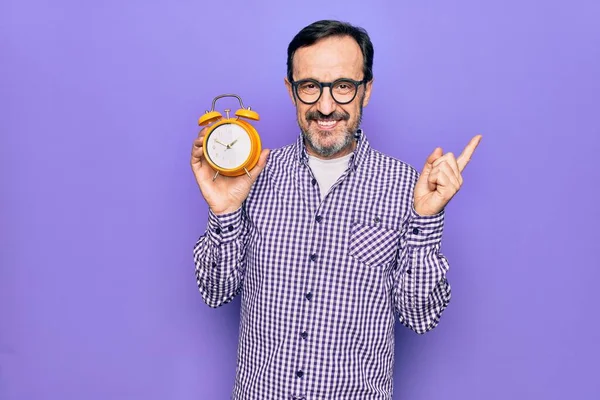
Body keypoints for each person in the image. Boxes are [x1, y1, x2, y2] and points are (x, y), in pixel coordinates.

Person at [190, 19, 481, 400]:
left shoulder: (405, 187)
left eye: (343, 86)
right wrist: (225, 211)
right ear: (291, 91)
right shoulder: (251, 176)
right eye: (310, 86)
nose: (326, 107)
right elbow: (215, 291)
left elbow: (420, 316)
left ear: (366, 90)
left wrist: (425, 221)